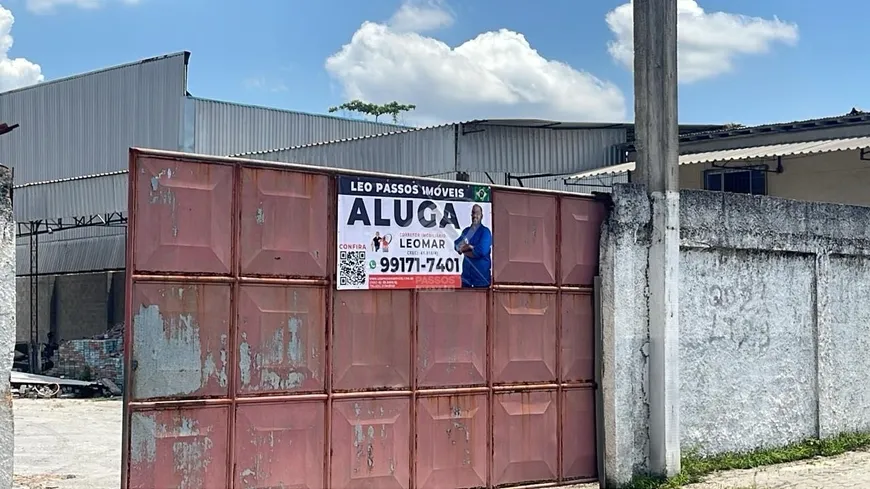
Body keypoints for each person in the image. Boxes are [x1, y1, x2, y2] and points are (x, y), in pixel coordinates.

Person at [453, 204, 492, 288]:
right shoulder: (467, 231)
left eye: (477, 213)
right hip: (466, 280)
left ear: (481, 216)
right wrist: (469, 248)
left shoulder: (485, 232)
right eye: (473, 213)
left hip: (481, 281)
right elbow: (456, 245)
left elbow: (481, 251)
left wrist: (466, 249)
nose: (475, 215)